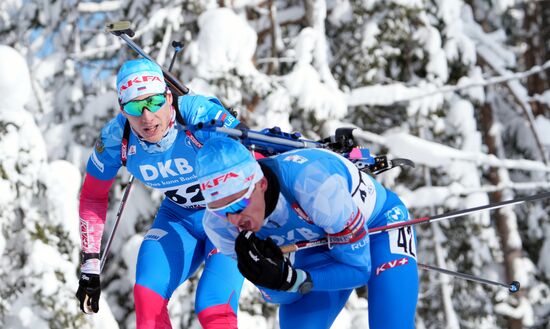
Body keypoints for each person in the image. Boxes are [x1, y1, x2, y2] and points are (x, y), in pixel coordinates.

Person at [75, 58, 244, 328]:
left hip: (227, 217)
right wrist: (90, 266)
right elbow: (92, 197)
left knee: (213, 307)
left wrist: (229, 130)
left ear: (168, 97)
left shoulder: (194, 112)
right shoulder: (116, 138)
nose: (147, 116)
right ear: (122, 109)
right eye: (134, 106)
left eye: (154, 102)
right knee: (146, 296)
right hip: (179, 219)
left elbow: (250, 155)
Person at [194, 137, 419, 329]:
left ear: (261, 183)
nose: (234, 219)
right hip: (319, 244)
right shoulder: (218, 226)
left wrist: (296, 278)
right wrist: (272, 278)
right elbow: (284, 297)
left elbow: (358, 270)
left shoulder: (312, 185)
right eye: (221, 210)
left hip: (380, 226)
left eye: (238, 204)